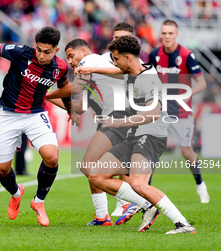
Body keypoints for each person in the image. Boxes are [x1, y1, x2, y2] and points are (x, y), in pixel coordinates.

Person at [0, 27, 71, 227]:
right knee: (2, 170)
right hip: (8, 114)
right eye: (39, 50)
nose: (41, 55)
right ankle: (16, 193)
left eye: (47, 52)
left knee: (52, 157)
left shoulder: (60, 67)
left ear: (56, 50)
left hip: (36, 114)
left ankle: (39, 202)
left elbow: (64, 89)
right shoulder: (20, 52)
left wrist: (70, 110)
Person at [86, 35, 197, 234]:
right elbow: (114, 71)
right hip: (134, 135)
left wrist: (120, 122)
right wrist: (91, 69)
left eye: (116, 58)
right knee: (96, 174)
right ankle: (148, 206)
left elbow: (153, 113)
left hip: (151, 136)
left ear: (128, 58)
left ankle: (183, 224)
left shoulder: (149, 80)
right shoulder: (133, 69)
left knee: (138, 183)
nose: (115, 63)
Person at [64, 37, 134, 226]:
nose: (70, 62)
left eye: (71, 56)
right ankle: (102, 215)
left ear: (84, 52)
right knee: (93, 168)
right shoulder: (93, 74)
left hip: (118, 119)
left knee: (92, 168)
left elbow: (75, 88)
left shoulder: (90, 62)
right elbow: (79, 107)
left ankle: (131, 202)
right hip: (109, 121)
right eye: (67, 59)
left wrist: (45, 93)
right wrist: (51, 100)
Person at [149, 19, 209, 203]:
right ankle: (146, 195)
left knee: (186, 152)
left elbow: (202, 83)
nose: (166, 36)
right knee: (151, 151)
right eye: (164, 33)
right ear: (160, 34)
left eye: (170, 33)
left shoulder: (186, 55)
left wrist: (185, 94)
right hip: (160, 111)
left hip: (181, 113)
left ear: (176, 35)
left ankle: (200, 183)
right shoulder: (154, 55)